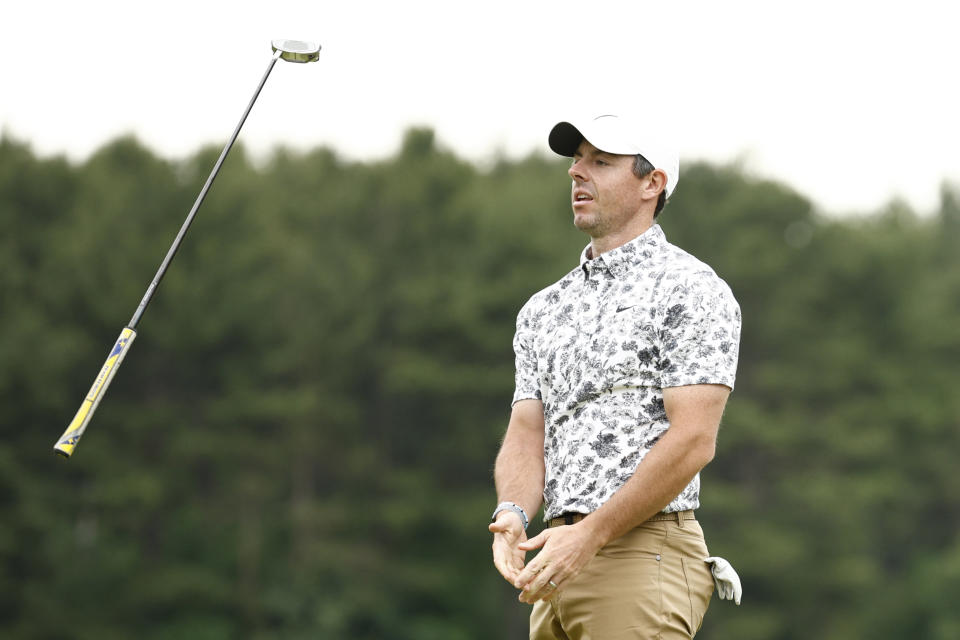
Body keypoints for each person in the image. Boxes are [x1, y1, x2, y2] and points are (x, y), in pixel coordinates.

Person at [489, 113, 742, 639]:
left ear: (653, 183)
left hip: (640, 550)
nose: (577, 172)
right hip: (556, 561)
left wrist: (591, 535)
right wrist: (513, 513)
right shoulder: (544, 308)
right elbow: (528, 430)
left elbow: (694, 439)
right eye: (578, 160)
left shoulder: (690, 288)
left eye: (601, 162)